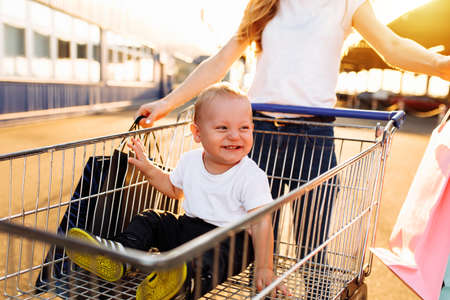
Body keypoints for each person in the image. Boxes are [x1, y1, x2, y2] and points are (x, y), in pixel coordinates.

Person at [133, 1, 450, 298]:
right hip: (259, 136)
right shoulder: (265, 4)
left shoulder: (347, 3)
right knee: (245, 244)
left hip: (314, 139)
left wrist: (439, 65)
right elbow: (220, 61)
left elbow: (392, 46)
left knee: (311, 252)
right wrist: (165, 103)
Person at [66, 82, 287, 299]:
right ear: (197, 133)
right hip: (188, 230)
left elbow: (261, 222)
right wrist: (148, 167)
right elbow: (173, 189)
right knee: (152, 218)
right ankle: (121, 255)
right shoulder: (190, 161)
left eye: (244, 128)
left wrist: (264, 268)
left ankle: (180, 283)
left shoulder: (250, 175)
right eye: (222, 128)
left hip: (228, 240)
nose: (235, 136)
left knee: (220, 255)